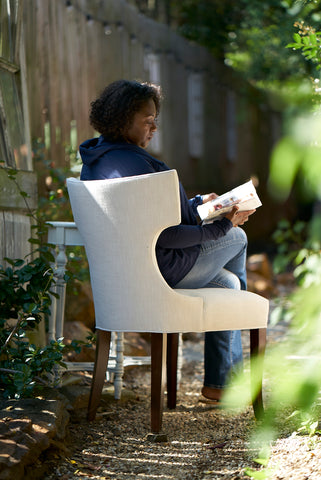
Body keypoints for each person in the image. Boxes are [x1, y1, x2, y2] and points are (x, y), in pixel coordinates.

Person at [79, 79, 255, 403]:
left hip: (127, 276)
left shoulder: (98, 162)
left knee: (229, 284)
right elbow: (166, 234)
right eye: (148, 120)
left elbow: (157, 219)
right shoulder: (141, 169)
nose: (154, 127)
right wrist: (223, 225)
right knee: (239, 238)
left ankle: (222, 383)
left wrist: (202, 204)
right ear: (123, 118)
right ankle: (227, 376)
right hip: (162, 272)